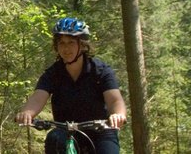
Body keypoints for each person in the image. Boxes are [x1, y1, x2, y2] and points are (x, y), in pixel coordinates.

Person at [15, 17, 127, 154]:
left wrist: (118, 115)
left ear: (83, 45)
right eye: (61, 43)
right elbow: (38, 97)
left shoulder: (100, 70)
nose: (66, 48)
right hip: (65, 133)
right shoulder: (53, 74)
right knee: (54, 138)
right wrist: (27, 113)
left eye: (71, 42)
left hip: (100, 132)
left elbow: (114, 99)